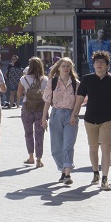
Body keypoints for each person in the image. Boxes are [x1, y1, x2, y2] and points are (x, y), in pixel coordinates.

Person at [74, 50, 111, 191]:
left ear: (107, 65)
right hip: (90, 118)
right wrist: (74, 114)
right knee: (93, 147)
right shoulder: (87, 79)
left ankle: (105, 178)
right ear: (93, 64)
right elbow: (79, 98)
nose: (99, 64)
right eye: (97, 62)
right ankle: (95, 172)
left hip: (108, 119)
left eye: (102, 62)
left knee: (106, 148)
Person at [42, 57, 80, 185]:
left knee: (68, 146)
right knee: (56, 148)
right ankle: (63, 169)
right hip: (56, 114)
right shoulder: (52, 82)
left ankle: (68, 174)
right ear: (58, 67)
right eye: (63, 66)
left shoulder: (76, 83)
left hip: (71, 114)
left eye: (68, 66)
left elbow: (79, 102)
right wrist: (44, 117)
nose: (65, 68)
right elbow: (47, 100)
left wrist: (74, 115)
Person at [18, 57, 48, 168]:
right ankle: (39, 159)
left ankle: (30, 157)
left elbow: (19, 94)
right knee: (39, 134)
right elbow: (48, 95)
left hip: (27, 108)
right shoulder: (45, 79)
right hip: (41, 109)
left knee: (28, 133)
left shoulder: (23, 79)